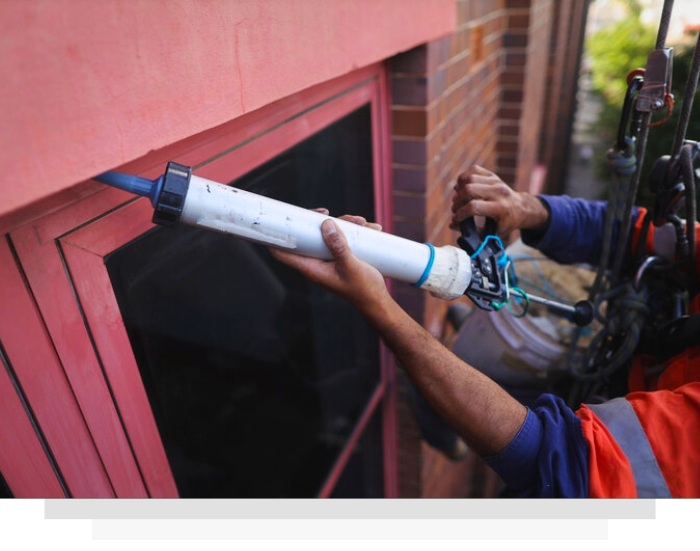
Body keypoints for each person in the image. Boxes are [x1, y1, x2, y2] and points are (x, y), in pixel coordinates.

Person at [268, 165, 700, 499]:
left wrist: (381, 309)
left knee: (455, 388)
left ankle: (450, 436)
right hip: (626, 396)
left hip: (594, 474)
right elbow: (640, 234)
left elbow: (558, 463)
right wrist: (526, 209)